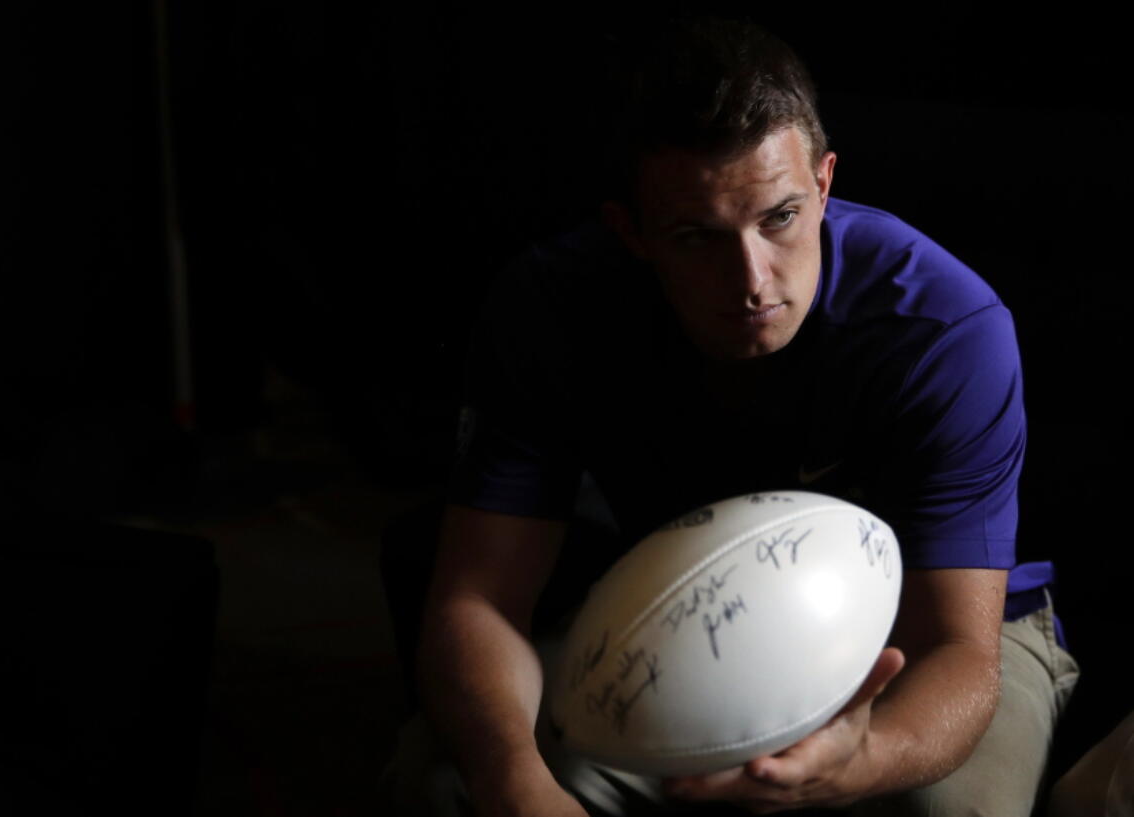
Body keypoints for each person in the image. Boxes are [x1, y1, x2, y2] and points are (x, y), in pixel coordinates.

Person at [395, 16, 1078, 817]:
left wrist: (858, 764)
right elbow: (479, 596)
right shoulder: (551, 311)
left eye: (780, 218)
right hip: (690, 610)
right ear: (633, 232)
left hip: (931, 633)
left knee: (952, 811)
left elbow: (959, 650)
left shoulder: (941, 328)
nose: (751, 281)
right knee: (449, 787)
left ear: (824, 183)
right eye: (696, 236)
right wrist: (513, 775)